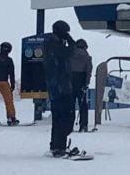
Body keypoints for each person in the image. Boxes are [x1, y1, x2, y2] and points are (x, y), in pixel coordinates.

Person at [44, 20, 79, 157]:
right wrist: (70, 40)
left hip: (57, 88)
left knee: (59, 118)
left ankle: (57, 146)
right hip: (61, 88)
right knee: (66, 118)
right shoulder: (54, 45)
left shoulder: (52, 44)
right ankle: (59, 147)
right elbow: (70, 51)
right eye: (66, 32)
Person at [70, 39, 93, 133]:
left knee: (70, 105)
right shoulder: (87, 57)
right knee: (83, 104)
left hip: (69, 82)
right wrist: (86, 83)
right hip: (81, 81)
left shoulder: (70, 55)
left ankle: (68, 125)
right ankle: (83, 125)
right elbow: (88, 72)